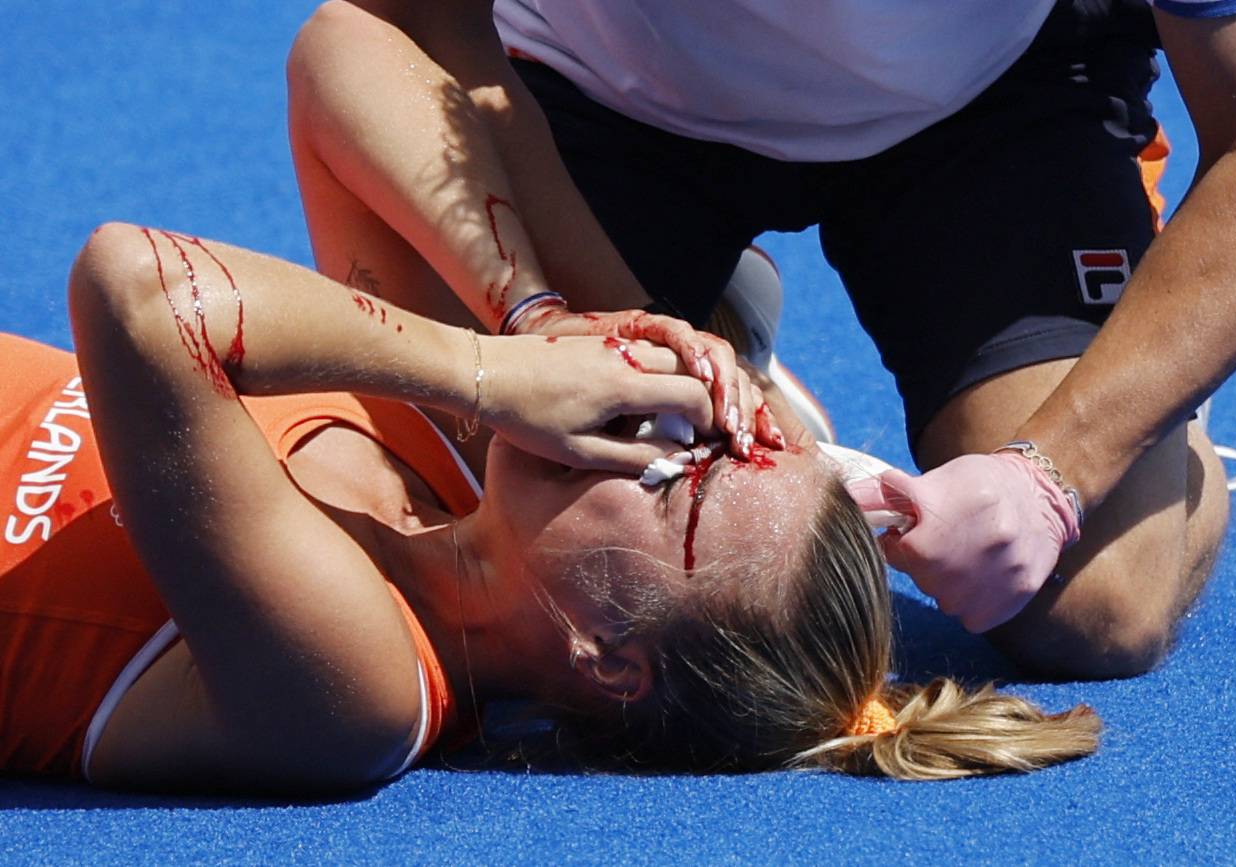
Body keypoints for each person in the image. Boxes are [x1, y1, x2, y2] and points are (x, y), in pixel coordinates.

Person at [286, 0, 1236, 679]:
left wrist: (1059, 470)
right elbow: (403, 27)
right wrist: (620, 334)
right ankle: (715, 318)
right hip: (587, 92)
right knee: (493, 517)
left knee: (1095, 611)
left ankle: (1151, 382)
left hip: (1000, 99)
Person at [1, 222, 1099, 790]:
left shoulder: (364, 694)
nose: (650, 441)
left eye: (683, 478)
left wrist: (487, 369)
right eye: (711, 431)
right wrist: (539, 329)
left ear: (611, 660)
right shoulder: (437, 457)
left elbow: (138, 289)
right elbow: (340, 56)